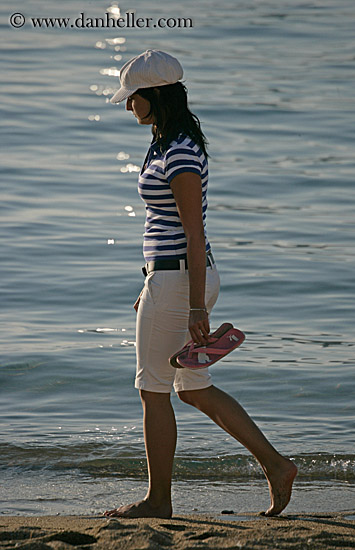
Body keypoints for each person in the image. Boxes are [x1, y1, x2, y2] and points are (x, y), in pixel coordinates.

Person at [104, 50, 297, 519]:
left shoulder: (181, 151)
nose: (129, 107)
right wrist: (150, 283)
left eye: (134, 98)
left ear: (155, 96)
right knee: (191, 387)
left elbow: (194, 232)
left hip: (181, 280)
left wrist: (192, 307)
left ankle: (159, 501)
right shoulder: (166, 140)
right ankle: (276, 465)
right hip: (172, 279)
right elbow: (163, 226)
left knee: (154, 390)